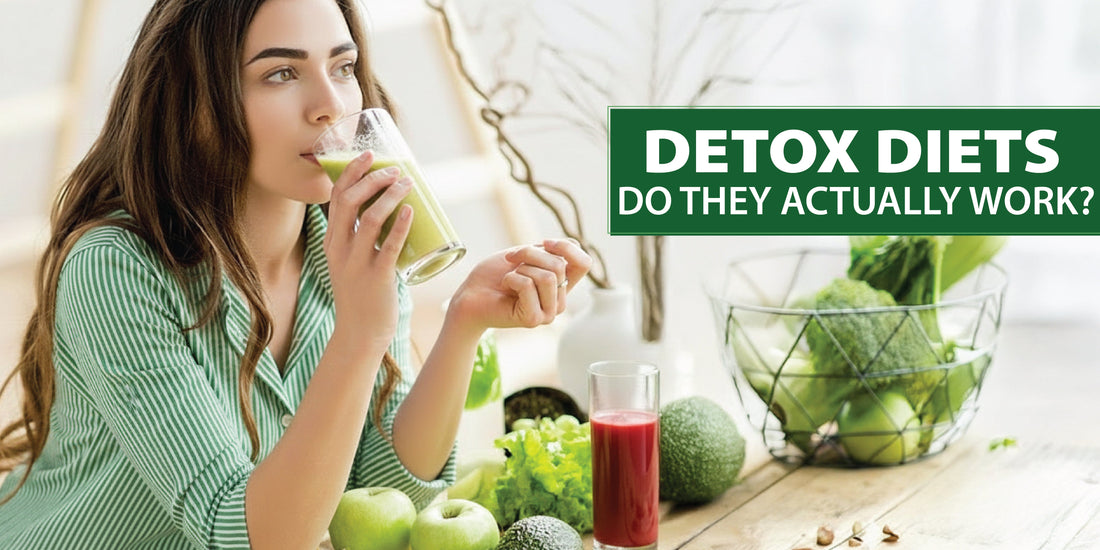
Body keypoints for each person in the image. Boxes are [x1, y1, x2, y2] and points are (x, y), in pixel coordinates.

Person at [0, 0, 591, 547]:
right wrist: (361, 333)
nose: (329, 103)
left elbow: (388, 489)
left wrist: (463, 325)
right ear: (198, 103)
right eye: (280, 73)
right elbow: (246, 536)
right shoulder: (116, 268)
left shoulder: (350, 240)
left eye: (343, 66)